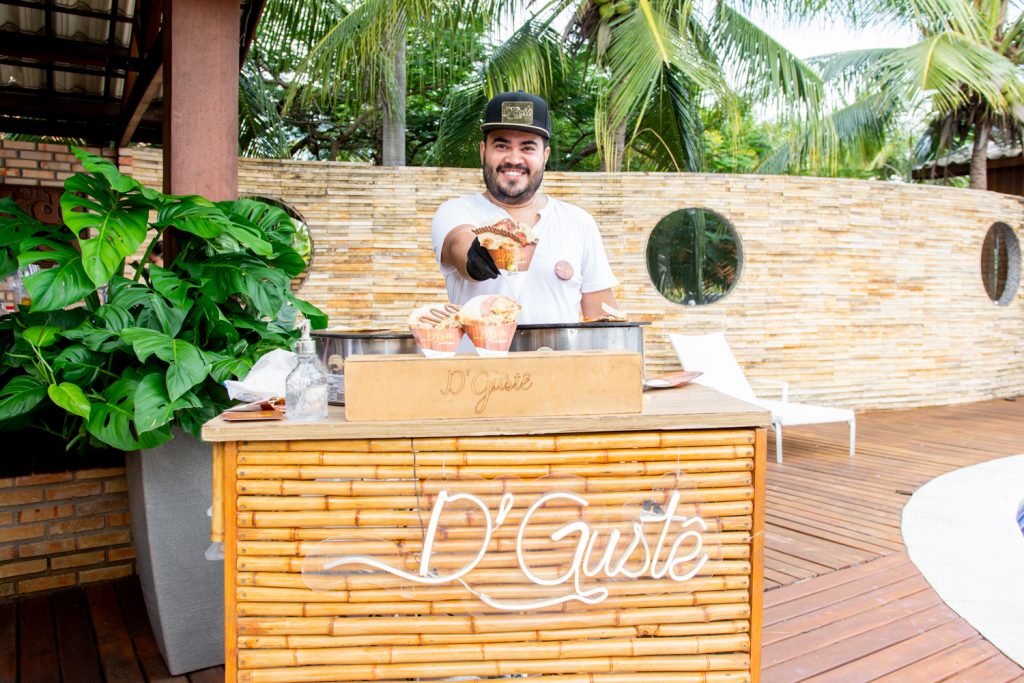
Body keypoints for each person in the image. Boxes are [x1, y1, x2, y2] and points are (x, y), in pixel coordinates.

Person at [431, 91, 619, 324]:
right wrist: (477, 256)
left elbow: (602, 316)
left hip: (555, 360)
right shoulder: (456, 211)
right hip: (477, 362)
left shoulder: (578, 222)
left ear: (545, 156)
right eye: (501, 146)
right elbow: (459, 243)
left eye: (528, 148)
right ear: (483, 152)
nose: (514, 158)